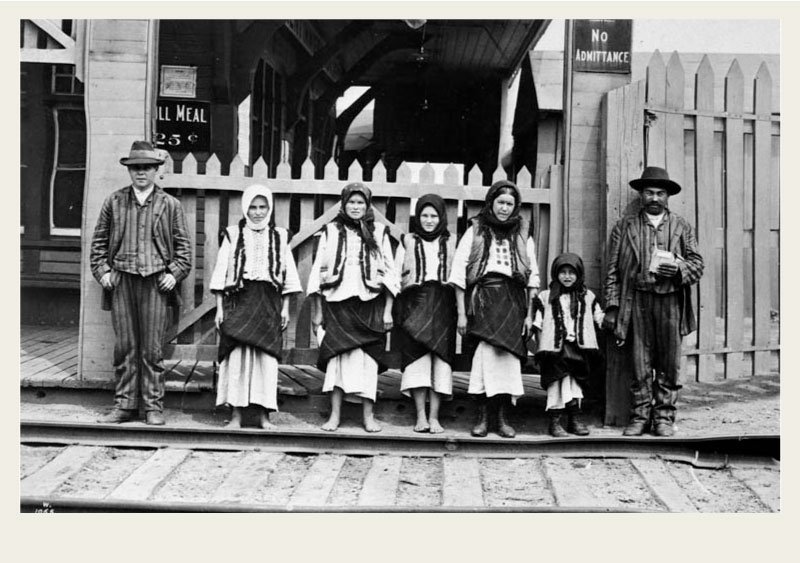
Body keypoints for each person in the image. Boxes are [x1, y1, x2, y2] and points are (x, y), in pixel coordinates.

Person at [90, 140, 192, 426]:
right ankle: (124, 405)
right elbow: (98, 242)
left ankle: (153, 407)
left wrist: (174, 273)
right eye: (135, 168)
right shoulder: (115, 201)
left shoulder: (170, 205)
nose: (141, 173)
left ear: (156, 170)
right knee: (125, 346)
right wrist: (103, 272)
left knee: (152, 349)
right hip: (122, 281)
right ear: (129, 171)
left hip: (156, 283)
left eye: (146, 168)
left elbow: (184, 248)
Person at [603, 166, 704, 437]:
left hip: (670, 302)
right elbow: (612, 270)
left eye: (660, 193)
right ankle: (639, 416)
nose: (655, 198)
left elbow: (697, 264)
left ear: (668, 197)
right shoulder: (625, 227)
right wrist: (612, 306)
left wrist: (680, 271)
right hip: (637, 301)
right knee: (639, 362)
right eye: (649, 192)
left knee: (670, 363)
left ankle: (664, 418)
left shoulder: (681, 226)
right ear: (641, 194)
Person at [449, 180, 540, 438]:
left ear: (516, 207)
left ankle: (501, 418)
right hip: (485, 300)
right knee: (485, 357)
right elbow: (458, 273)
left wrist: (530, 315)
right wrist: (461, 313)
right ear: (491, 202)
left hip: (513, 301)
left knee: (508, 359)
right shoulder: (476, 230)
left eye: (509, 204)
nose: (504, 208)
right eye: (500, 202)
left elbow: (532, 276)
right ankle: (482, 417)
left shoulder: (522, 233)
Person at [209, 184, 303, 429]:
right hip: (239, 301)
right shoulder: (232, 234)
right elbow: (221, 274)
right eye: (253, 207)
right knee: (236, 358)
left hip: (268, 303)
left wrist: (284, 309)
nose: (258, 212)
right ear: (245, 208)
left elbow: (288, 276)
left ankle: (263, 416)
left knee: (266, 361)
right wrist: (220, 309)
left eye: (263, 207)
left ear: (269, 208)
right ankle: (237, 415)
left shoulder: (280, 236)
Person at [307, 183, 398, 432]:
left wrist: (388, 309)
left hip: (369, 305)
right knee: (338, 360)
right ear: (344, 204)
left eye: (361, 203)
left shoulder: (378, 232)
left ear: (368, 206)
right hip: (338, 304)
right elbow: (317, 273)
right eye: (351, 202)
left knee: (368, 361)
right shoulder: (331, 231)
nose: (356, 207)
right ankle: (334, 415)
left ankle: (368, 416)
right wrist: (317, 312)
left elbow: (390, 273)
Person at [394, 194, 456, 433]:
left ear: (441, 218)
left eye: (434, 216)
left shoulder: (451, 242)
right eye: (424, 216)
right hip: (414, 303)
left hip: (442, 303)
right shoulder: (407, 241)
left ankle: (435, 417)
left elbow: (460, 275)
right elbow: (397, 274)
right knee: (417, 360)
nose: (429, 221)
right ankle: (420, 415)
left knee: (440, 361)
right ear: (417, 217)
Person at [532, 253, 604, 437]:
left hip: (578, 349)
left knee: (575, 384)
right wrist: (541, 349)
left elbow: (599, 319)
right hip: (554, 351)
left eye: (572, 272)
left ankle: (574, 419)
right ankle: (554, 421)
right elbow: (538, 324)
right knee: (557, 383)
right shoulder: (545, 296)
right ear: (555, 274)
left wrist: (611, 318)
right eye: (562, 272)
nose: (567, 276)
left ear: (578, 274)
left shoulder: (588, 297)